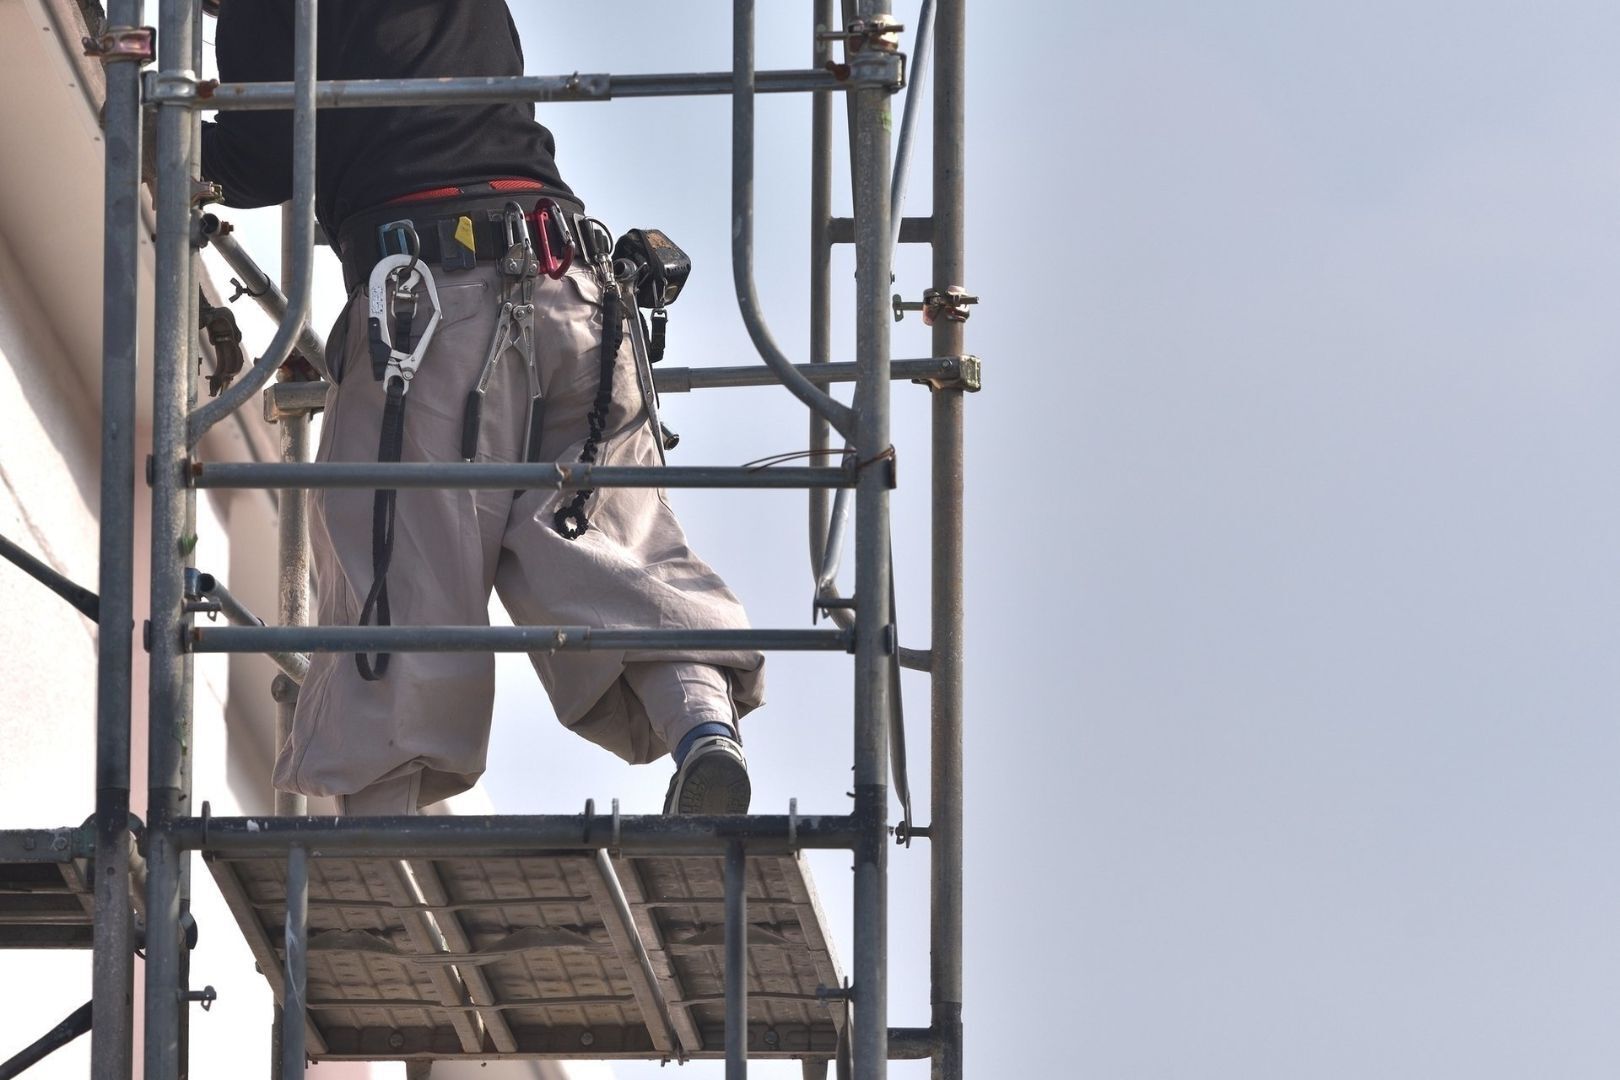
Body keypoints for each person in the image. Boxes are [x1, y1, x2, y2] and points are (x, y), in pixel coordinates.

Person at [199, 1, 763, 816]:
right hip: (578, 289)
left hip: (426, 311)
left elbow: (262, 149)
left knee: (396, 588)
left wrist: (152, 127)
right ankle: (704, 727)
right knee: (614, 550)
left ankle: (380, 845)